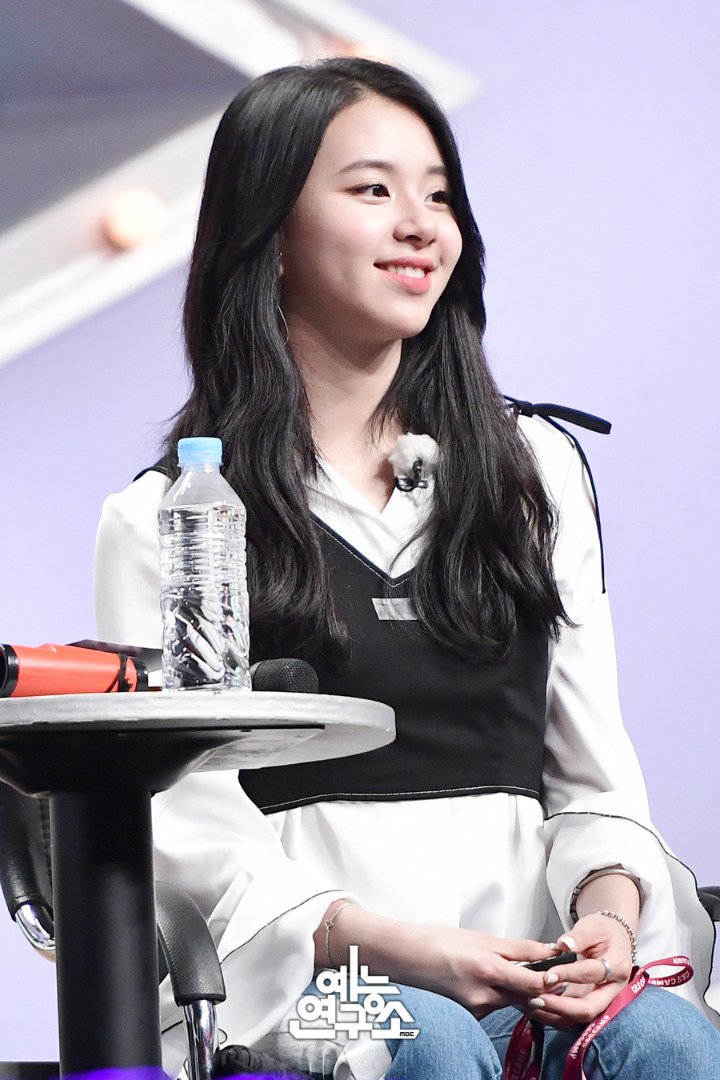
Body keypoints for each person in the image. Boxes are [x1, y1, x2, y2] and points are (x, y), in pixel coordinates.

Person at [94, 58, 718, 1079]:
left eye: (438, 194)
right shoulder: (172, 515)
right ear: (272, 234)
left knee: (668, 1039)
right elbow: (192, 832)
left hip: (530, 970)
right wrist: (410, 951)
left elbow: (595, 780)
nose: (422, 225)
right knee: (420, 1035)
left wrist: (607, 916)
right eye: (373, 189)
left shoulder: (534, 471)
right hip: (309, 983)